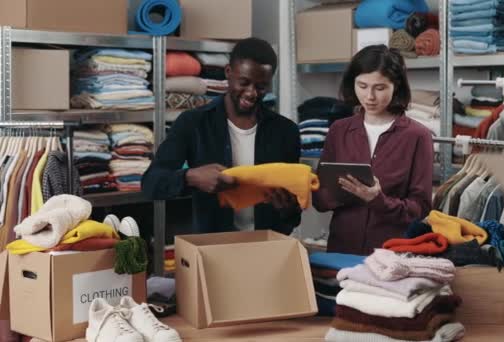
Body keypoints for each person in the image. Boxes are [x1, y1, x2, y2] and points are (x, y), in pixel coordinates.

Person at [142, 37, 302, 235]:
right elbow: (151, 183)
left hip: (267, 247)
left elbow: (294, 216)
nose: (251, 93)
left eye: (261, 86)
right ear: (228, 73)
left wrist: (286, 208)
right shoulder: (193, 123)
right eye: (244, 82)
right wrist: (191, 177)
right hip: (213, 248)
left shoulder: (286, 132)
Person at [313, 45, 433, 255]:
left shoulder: (417, 136)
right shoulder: (339, 131)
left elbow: (420, 209)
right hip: (342, 251)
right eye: (362, 86)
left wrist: (377, 200)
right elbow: (320, 200)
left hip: (392, 255)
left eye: (379, 88)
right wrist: (344, 193)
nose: (369, 96)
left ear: (396, 86)